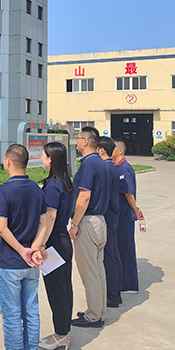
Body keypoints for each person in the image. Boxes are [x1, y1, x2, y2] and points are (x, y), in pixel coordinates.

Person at [0, 144, 48, 350]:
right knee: (31, 312)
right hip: (30, 265)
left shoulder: (3, 191)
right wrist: (35, 248)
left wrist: (22, 250)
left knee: (11, 314)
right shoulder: (36, 189)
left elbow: (2, 228)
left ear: (7, 161)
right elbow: (44, 223)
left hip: (10, 262)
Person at [69, 126, 110, 328]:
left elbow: (84, 196)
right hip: (100, 221)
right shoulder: (102, 163)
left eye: (78, 138)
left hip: (88, 222)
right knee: (98, 271)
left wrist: (75, 223)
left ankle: (93, 316)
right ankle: (98, 310)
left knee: (90, 273)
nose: (76, 141)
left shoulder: (88, 164)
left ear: (85, 141)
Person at [37, 142, 74, 350]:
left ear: (51, 159)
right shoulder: (65, 182)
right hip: (63, 239)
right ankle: (63, 331)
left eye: (43, 156)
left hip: (54, 242)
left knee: (57, 290)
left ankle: (61, 335)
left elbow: (50, 218)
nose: (41, 159)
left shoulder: (53, 186)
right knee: (64, 288)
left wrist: (42, 244)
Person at [112, 140, 143, 294]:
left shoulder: (124, 168)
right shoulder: (116, 167)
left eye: (113, 148)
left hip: (125, 215)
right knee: (119, 249)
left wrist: (135, 209)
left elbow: (129, 194)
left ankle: (130, 284)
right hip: (119, 215)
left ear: (120, 151)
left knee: (126, 249)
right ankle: (122, 280)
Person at [97, 136, 122, 308]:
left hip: (108, 216)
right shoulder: (112, 166)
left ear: (101, 150)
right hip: (113, 215)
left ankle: (112, 294)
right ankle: (115, 292)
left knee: (109, 257)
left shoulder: (105, 168)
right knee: (113, 255)